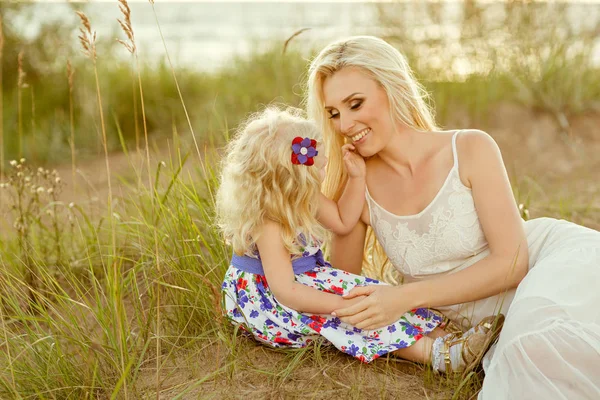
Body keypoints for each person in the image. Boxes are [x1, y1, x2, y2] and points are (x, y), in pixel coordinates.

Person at [306, 35, 600, 399]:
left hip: (548, 266)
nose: (345, 124)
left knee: (541, 344)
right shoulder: (357, 187)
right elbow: (342, 289)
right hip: (487, 322)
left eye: (355, 104)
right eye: (333, 113)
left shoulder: (470, 148)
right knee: (537, 354)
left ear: (392, 88)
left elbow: (513, 262)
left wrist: (403, 297)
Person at [216, 106, 503, 370]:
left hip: (307, 283)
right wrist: (343, 307)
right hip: (272, 306)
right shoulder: (270, 221)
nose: (326, 159)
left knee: (373, 295)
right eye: (315, 155)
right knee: (357, 319)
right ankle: (440, 356)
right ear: (293, 171)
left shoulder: (307, 197)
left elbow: (343, 221)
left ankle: (450, 338)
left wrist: (356, 178)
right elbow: (285, 291)